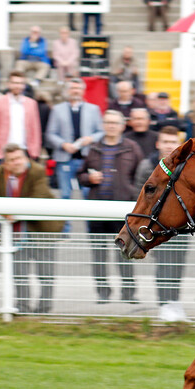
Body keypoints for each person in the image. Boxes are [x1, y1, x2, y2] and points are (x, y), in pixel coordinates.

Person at [76, 110, 144, 303]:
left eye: (115, 122)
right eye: (108, 122)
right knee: (98, 255)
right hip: (97, 209)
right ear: (103, 125)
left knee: (125, 252)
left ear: (123, 125)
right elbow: (80, 174)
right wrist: (88, 178)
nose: (111, 126)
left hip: (122, 211)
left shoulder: (132, 148)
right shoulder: (94, 148)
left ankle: (128, 292)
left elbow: (143, 177)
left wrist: (133, 194)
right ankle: (103, 293)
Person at [0, 144, 64, 314]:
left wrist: (13, 213)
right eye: (11, 160)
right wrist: (6, 213)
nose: (16, 163)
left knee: (45, 273)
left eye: (19, 158)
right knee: (19, 272)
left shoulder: (37, 171)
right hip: (15, 231)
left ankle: (43, 309)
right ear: (5, 163)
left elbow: (37, 198)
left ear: (25, 157)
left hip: (42, 229)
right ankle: (22, 308)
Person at [134, 126, 188, 321]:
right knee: (164, 265)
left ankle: (175, 303)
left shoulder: (183, 165)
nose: (168, 146)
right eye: (165, 142)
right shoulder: (147, 166)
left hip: (179, 226)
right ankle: (164, 305)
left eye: (172, 142)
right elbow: (140, 197)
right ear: (158, 144)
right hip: (157, 226)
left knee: (178, 265)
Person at [46, 78, 104, 203]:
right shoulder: (57, 109)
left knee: (88, 194)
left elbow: (101, 132)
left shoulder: (93, 109)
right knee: (65, 194)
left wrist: (91, 138)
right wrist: (63, 144)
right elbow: (50, 134)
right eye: (72, 88)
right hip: (65, 158)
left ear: (83, 91)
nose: (75, 91)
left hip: (86, 158)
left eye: (78, 88)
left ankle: (90, 223)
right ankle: (66, 223)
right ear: (67, 90)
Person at [0, 71, 42, 187]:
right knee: (2, 189)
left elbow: (35, 128)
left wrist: (35, 151)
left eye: (21, 83)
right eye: (15, 83)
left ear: (24, 85)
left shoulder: (31, 103)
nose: (17, 86)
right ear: (9, 84)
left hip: (25, 152)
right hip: (2, 153)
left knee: (24, 189)